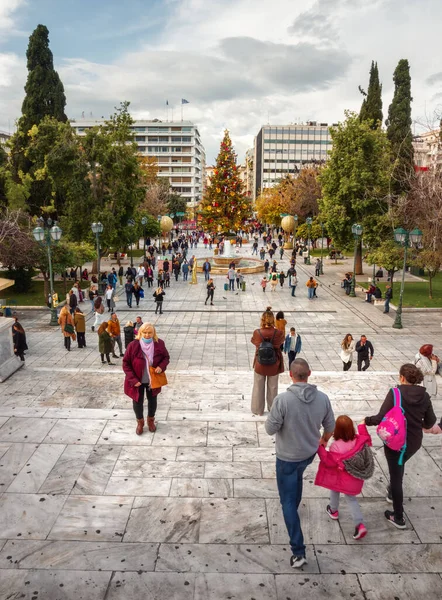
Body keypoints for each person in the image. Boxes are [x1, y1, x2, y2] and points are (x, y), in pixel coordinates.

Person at [265, 358, 335, 568]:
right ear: (310, 374)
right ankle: (293, 507)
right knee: (297, 477)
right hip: (308, 454)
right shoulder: (323, 398)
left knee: (286, 499)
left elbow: (270, 429)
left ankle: (298, 551)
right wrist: (323, 440)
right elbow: (330, 427)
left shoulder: (283, 400)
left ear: (291, 375)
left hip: (287, 456)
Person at [364, 363, 436, 529]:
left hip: (396, 443)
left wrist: (366, 420)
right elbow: (430, 422)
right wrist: (419, 423)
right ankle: (391, 491)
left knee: (397, 476)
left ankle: (398, 517)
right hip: (414, 443)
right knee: (399, 465)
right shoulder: (425, 397)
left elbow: (380, 417)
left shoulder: (395, 393)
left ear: (402, 377)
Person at [315, 416, 373, 540]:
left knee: (336, 490)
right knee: (348, 497)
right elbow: (367, 439)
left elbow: (329, 461)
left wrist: (319, 448)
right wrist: (362, 426)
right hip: (355, 479)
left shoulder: (336, 445)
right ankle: (340, 513)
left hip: (342, 479)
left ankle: (351, 520)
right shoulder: (359, 442)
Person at [123, 322, 170, 434]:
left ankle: (151, 421)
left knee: (152, 401)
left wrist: (161, 366)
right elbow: (126, 364)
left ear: (153, 333)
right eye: (144, 332)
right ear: (140, 332)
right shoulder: (133, 345)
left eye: (150, 332)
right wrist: (133, 380)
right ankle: (140, 422)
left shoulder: (159, 343)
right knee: (137, 402)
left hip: (152, 380)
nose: (147, 335)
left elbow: (166, 357)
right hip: (137, 380)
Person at [250, 307, 285, 415]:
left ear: (262, 320)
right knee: (273, 387)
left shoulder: (257, 332)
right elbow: (280, 342)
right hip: (274, 363)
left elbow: (253, 341)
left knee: (258, 387)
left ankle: (257, 410)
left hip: (260, 363)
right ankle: (272, 409)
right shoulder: (278, 333)